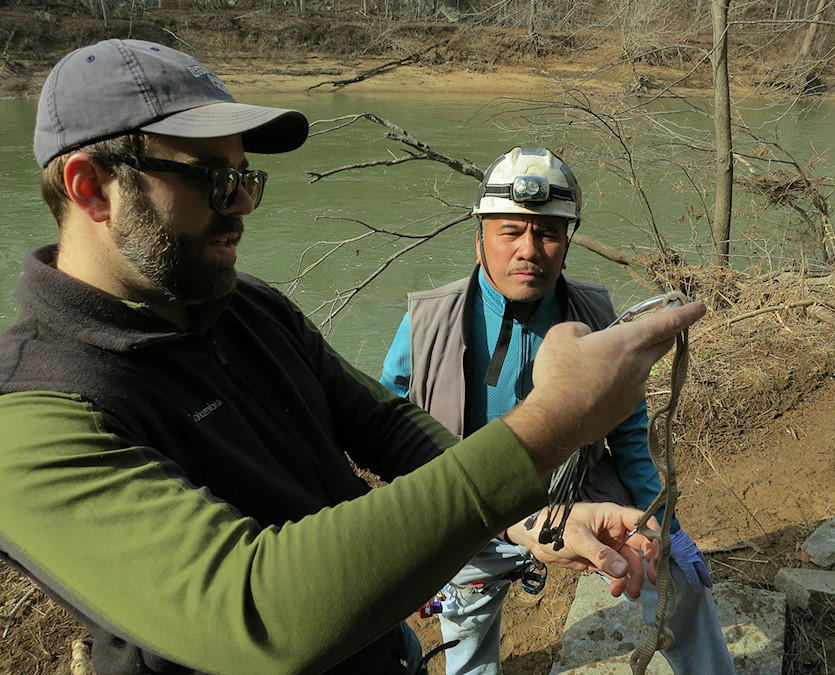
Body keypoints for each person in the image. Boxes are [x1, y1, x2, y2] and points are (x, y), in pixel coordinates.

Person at [0, 40, 706, 675]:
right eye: (214, 180)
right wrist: (555, 420)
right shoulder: (30, 416)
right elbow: (257, 612)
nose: (242, 205)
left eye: (248, 179)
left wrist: (534, 521)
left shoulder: (246, 306)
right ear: (90, 186)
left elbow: (385, 424)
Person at [380, 147, 735, 675]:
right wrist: (413, 534)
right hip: (471, 508)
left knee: (674, 587)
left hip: (581, 491)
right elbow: (389, 426)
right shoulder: (428, 322)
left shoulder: (595, 314)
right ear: (480, 240)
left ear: (566, 245)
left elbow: (632, 435)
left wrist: (667, 525)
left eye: (547, 233)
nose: (529, 250)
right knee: (469, 649)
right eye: (510, 232)